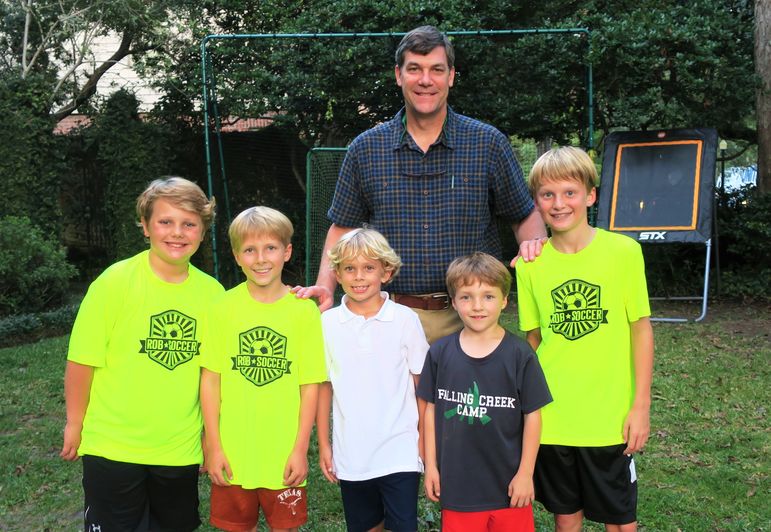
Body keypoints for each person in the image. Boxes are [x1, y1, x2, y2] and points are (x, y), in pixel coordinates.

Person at [293, 25, 547, 343]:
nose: (425, 80)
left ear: (451, 76)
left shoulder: (487, 142)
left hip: (470, 319)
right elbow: (342, 229)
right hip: (386, 320)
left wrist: (540, 265)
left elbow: (524, 216)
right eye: (414, 69)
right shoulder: (365, 148)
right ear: (399, 75)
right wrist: (326, 289)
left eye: (436, 70)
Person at [61, 177, 224, 531]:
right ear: (146, 227)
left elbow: (213, 375)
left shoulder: (213, 295)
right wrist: (75, 422)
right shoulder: (114, 282)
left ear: (202, 231)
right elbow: (82, 359)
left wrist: (211, 438)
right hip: (112, 446)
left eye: (188, 224)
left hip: (177, 448)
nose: (177, 232)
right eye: (165, 222)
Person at [515, 146, 654, 532]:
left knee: (621, 521)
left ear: (590, 195)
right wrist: (527, 410)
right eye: (547, 195)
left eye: (569, 193)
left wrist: (639, 406)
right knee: (566, 518)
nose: (559, 204)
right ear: (537, 202)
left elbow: (640, 330)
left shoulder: (624, 252)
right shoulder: (530, 265)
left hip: (609, 418)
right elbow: (533, 341)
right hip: (553, 417)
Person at [200, 206, 326, 532]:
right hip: (233, 451)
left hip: (283, 455)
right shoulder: (221, 308)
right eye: (250, 250)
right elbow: (210, 380)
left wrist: (301, 449)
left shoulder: (303, 312)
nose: (260, 258)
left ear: (287, 251)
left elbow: (310, 384)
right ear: (236, 255)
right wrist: (213, 446)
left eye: (270, 247)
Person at [417, 252, 552, 532]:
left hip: (509, 488)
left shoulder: (520, 355)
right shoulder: (440, 353)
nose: (477, 306)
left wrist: (526, 474)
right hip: (458, 488)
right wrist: (430, 466)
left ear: (504, 299)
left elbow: (533, 416)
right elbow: (429, 412)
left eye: (488, 296)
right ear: (453, 302)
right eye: (466, 297)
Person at [317, 228, 429, 532]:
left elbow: (422, 387)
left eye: (368, 267)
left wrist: (423, 442)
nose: (359, 276)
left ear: (386, 271)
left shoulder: (405, 319)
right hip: (352, 453)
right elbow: (324, 387)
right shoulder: (327, 324)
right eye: (349, 268)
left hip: (400, 450)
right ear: (337, 274)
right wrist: (324, 444)